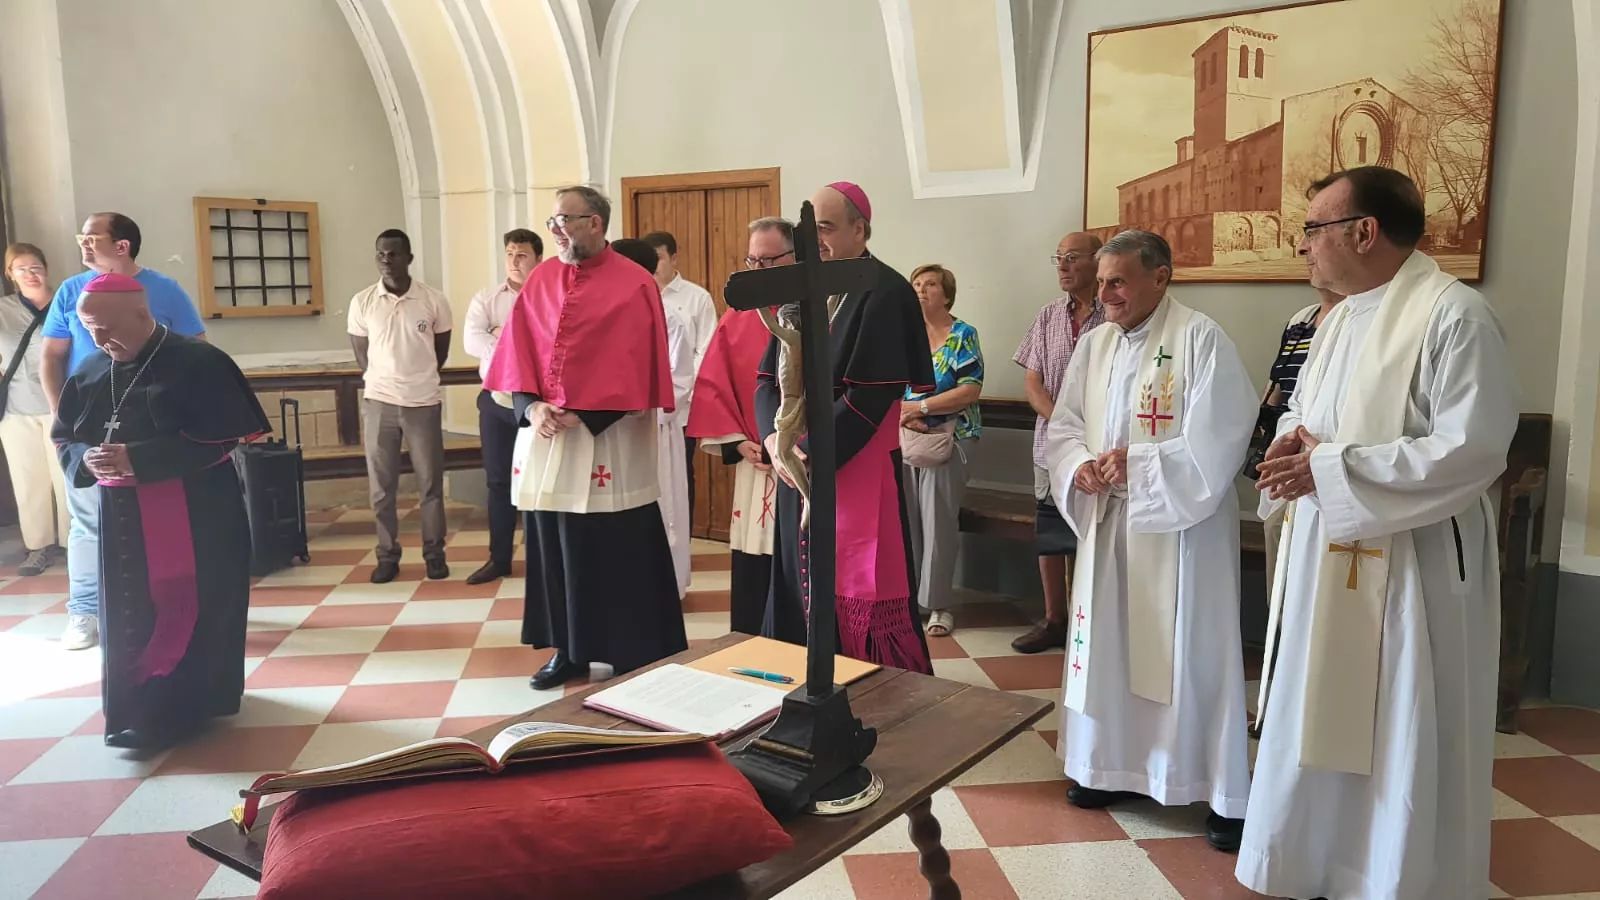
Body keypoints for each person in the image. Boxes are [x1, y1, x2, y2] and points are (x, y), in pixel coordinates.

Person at [1241, 166, 1518, 900]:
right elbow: (1312, 410)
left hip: (1412, 566)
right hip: (1329, 547)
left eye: (1312, 229)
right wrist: (1295, 442)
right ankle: (1319, 861)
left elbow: (1473, 447)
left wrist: (1331, 468)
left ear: (1363, 232)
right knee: (1319, 706)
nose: (1302, 247)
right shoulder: (1341, 317)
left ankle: (1395, 875)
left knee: (1400, 721)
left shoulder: (1452, 315)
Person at [1044, 229, 1255, 852]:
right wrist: (1077, 463)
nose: (1103, 293)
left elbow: (1220, 438)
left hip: (1179, 535)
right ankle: (1109, 766)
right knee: (1107, 644)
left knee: (1187, 651)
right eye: (1101, 280)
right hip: (1112, 525)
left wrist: (1139, 465)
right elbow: (1066, 424)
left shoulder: (1200, 338)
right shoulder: (1096, 343)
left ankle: (1210, 786)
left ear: (1159, 278)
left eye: (1117, 281)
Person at [53, 273, 269, 749]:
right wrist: (86, 458)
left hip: (197, 515)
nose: (97, 339)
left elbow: (223, 437)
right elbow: (67, 436)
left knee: (195, 605)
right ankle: (136, 706)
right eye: (88, 328)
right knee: (129, 609)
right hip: (121, 516)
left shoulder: (199, 363)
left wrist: (140, 459)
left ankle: (192, 703)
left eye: (105, 327)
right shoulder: (91, 369)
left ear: (141, 313)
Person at [484, 186, 686, 691]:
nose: (555, 230)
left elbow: (642, 363)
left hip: (609, 437)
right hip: (550, 435)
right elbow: (518, 352)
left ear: (596, 223)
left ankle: (630, 651)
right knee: (556, 546)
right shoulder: (541, 281)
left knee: (615, 546)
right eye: (551, 222)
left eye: (565, 221)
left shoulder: (635, 283)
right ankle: (568, 649)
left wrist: (587, 412)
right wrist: (531, 405)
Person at [755, 181, 936, 674]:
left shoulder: (886, 290)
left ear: (861, 229)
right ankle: (792, 682)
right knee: (797, 578)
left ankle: (871, 689)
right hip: (799, 465)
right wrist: (775, 441)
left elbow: (871, 397)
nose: (817, 240)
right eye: (810, 231)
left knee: (859, 582)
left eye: (828, 228)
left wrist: (806, 450)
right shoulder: (802, 285)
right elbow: (768, 377)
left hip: (850, 462)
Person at [41, 212, 208, 651]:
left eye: (92, 237)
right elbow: (52, 358)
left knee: (159, 520)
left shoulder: (164, 290)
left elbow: (197, 351)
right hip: (88, 425)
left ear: (123, 247)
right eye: (82, 237)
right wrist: (65, 422)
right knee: (86, 522)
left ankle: (165, 608)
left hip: (149, 426)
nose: (83, 244)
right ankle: (85, 610)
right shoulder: (70, 291)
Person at [686, 217, 793, 634]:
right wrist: (738, 443)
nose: (758, 270)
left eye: (769, 260)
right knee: (754, 554)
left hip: (804, 459)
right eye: (752, 260)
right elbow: (714, 380)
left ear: (794, 257)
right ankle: (751, 640)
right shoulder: (739, 313)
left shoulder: (821, 308)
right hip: (754, 457)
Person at [1011, 232, 1105, 654]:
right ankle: (1054, 620)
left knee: (1096, 531)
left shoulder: (1116, 314)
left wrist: (1085, 430)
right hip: (1050, 444)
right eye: (1058, 259)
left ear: (1097, 261)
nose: (1063, 266)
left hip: (1101, 446)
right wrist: (1062, 422)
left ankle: (1097, 620)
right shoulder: (1048, 316)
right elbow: (1032, 380)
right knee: (1049, 533)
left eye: (1072, 258)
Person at [348, 229, 453, 584]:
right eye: (381, 254)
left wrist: (416, 380)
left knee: (430, 483)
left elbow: (440, 353)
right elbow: (362, 355)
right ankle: (387, 555)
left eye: (393, 254)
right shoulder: (362, 302)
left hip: (423, 403)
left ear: (409, 258)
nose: (386, 260)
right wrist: (384, 383)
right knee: (381, 486)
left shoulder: (433, 300)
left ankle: (434, 554)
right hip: (379, 403)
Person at [900, 264, 983, 638]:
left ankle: (938, 606)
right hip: (906, 437)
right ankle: (911, 600)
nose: (920, 290)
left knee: (937, 523)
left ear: (946, 294)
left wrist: (923, 409)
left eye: (930, 284)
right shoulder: (904, 335)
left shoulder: (963, 335)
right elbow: (888, 387)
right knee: (908, 521)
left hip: (951, 439)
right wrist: (905, 417)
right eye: (916, 284)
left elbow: (969, 389)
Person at [1243, 287, 1343, 593]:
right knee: (1278, 536)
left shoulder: (1356, 318)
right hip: (1287, 444)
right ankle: (1280, 626)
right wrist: (1265, 428)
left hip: (1320, 455)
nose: (1306, 251)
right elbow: (1280, 385)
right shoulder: (1302, 319)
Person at [462, 229, 543, 585]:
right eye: (510, 253)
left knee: (537, 480)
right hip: (495, 399)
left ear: (537, 259)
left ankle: (541, 559)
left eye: (522, 254)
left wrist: (499, 335)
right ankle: (499, 558)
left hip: (536, 403)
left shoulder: (549, 295)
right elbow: (470, 341)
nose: (514, 261)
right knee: (497, 481)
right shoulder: (487, 298)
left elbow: (547, 344)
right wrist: (512, 343)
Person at [627, 236, 694, 597]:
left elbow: (679, 380)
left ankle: (667, 587)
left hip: (657, 428)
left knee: (664, 505)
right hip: (618, 431)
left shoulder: (670, 319)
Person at [642, 230, 717, 531]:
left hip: (683, 405)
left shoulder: (696, 298)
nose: (654, 266)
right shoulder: (637, 294)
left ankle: (681, 541)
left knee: (680, 473)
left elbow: (706, 350)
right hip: (642, 409)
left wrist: (677, 386)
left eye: (658, 259)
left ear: (673, 258)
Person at [1, 243, 69, 576]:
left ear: (46, 268)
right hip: (17, 408)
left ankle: (74, 543)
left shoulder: (67, 303)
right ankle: (38, 546)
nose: (30, 274)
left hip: (63, 405)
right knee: (29, 480)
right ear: (10, 274)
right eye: (21, 269)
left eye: (35, 267)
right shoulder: (2, 310)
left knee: (67, 477)